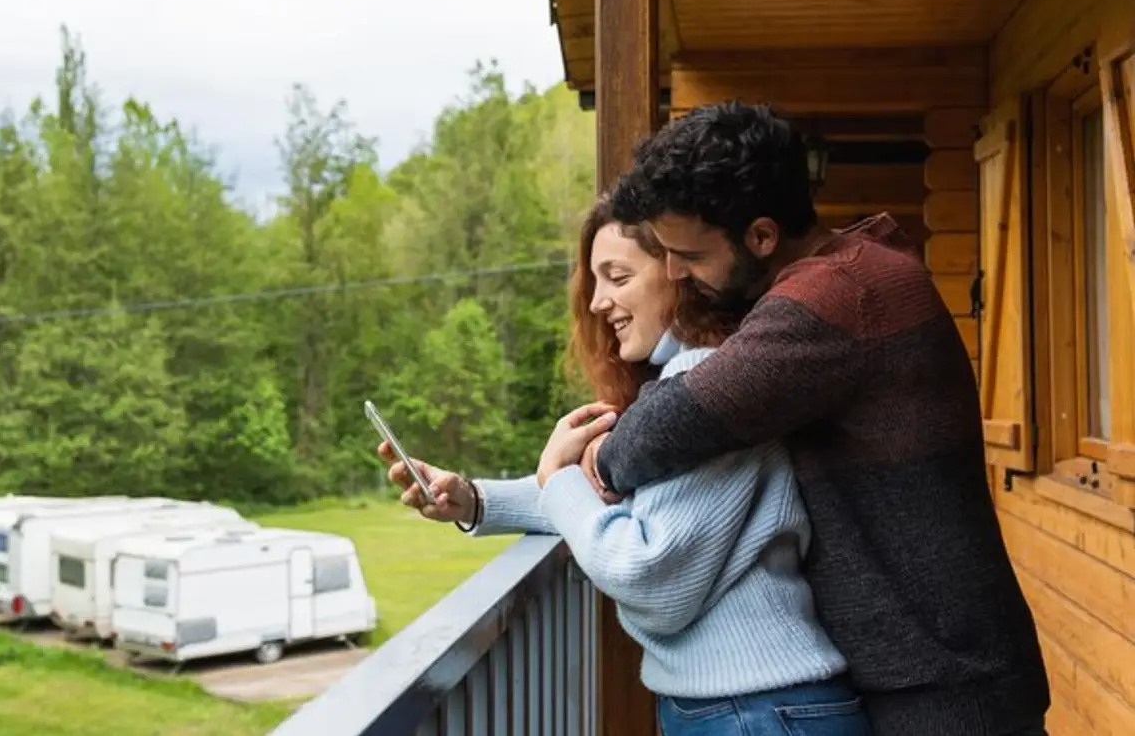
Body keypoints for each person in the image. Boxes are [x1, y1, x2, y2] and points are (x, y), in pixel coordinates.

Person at [579, 101, 1050, 736]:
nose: (674, 272)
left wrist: (597, 457)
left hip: (943, 687)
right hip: (947, 669)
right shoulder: (856, 277)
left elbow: (666, 426)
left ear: (762, 236)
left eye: (687, 254)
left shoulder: (828, 303)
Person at [381, 195, 872, 736]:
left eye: (616, 277)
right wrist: (474, 500)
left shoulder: (707, 379)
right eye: (594, 282)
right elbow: (615, 500)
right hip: (747, 707)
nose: (596, 303)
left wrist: (560, 478)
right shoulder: (691, 382)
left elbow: (648, 577)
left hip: (757, 712)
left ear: (678, 273)